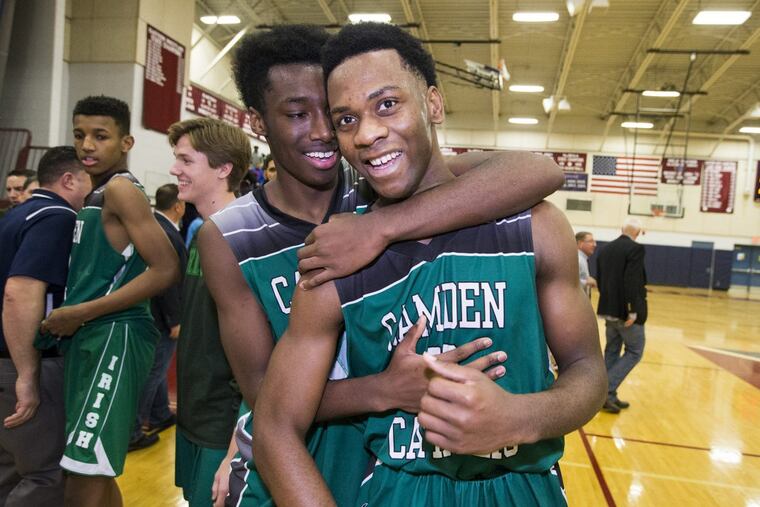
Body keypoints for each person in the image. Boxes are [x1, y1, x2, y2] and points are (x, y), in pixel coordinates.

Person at [201, 24, 566, 507]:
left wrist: (380, 228)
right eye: (298, 112)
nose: (325, 132)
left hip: (384, 458)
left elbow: (538, 170)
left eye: (333, 115)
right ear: (259, 122)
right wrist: (386, 389)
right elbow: (265, 398)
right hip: (305, 457)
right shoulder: (231, 235)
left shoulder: (379, 183)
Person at [39, 95, 179, 507]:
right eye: (79, 135)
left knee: (81, 473)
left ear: (126, 143)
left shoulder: (121, 190)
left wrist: (81, 312)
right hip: (90, 337)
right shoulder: (96, 194)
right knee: (91, 464)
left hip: (113, 337)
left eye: (100, 136)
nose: (86, 145)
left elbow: (166, 268)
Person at [0, 146, 91, 506]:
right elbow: (19, 293)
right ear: (69, 179)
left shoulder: (15, 214)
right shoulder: (57, 217)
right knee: (46, 474)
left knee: (9, 468)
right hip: (25, 361)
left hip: (4, 363)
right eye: (89, 182)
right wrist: (27, 373)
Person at [167, 118, 250, 507]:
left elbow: (264, 358)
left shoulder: (245, 235)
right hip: (193, 415)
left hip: (224, 424)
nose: (174, 169)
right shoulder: (203, 231)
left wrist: (238, 444)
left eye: (186, 160)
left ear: (223, 168)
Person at [128, 183, 187, 451]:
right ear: (178, 206)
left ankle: (160, 413)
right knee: (152, 371)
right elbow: (168, 282)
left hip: (151, 313)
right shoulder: (168, 234)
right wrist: (175, 319)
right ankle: (134, 428)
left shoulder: (155, 229)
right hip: (161, 317)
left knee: (158, 368)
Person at [596, 218, 647, 414]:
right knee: (635, 351)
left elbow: (600, 279)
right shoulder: (635, 249)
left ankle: (608, 394)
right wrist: (632, 310)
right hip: (625, 313)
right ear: (638, 232)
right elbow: (632, 281)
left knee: (611, 351)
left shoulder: (606, 249)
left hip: (607, 308)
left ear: (621, 229)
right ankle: (606, 392)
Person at [576, 231, 597, 296]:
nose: (595, 244)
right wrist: (586, 282)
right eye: (591, 241)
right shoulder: (577, 259)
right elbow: (568, 282)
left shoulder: (582, 259)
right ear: (580, 243)